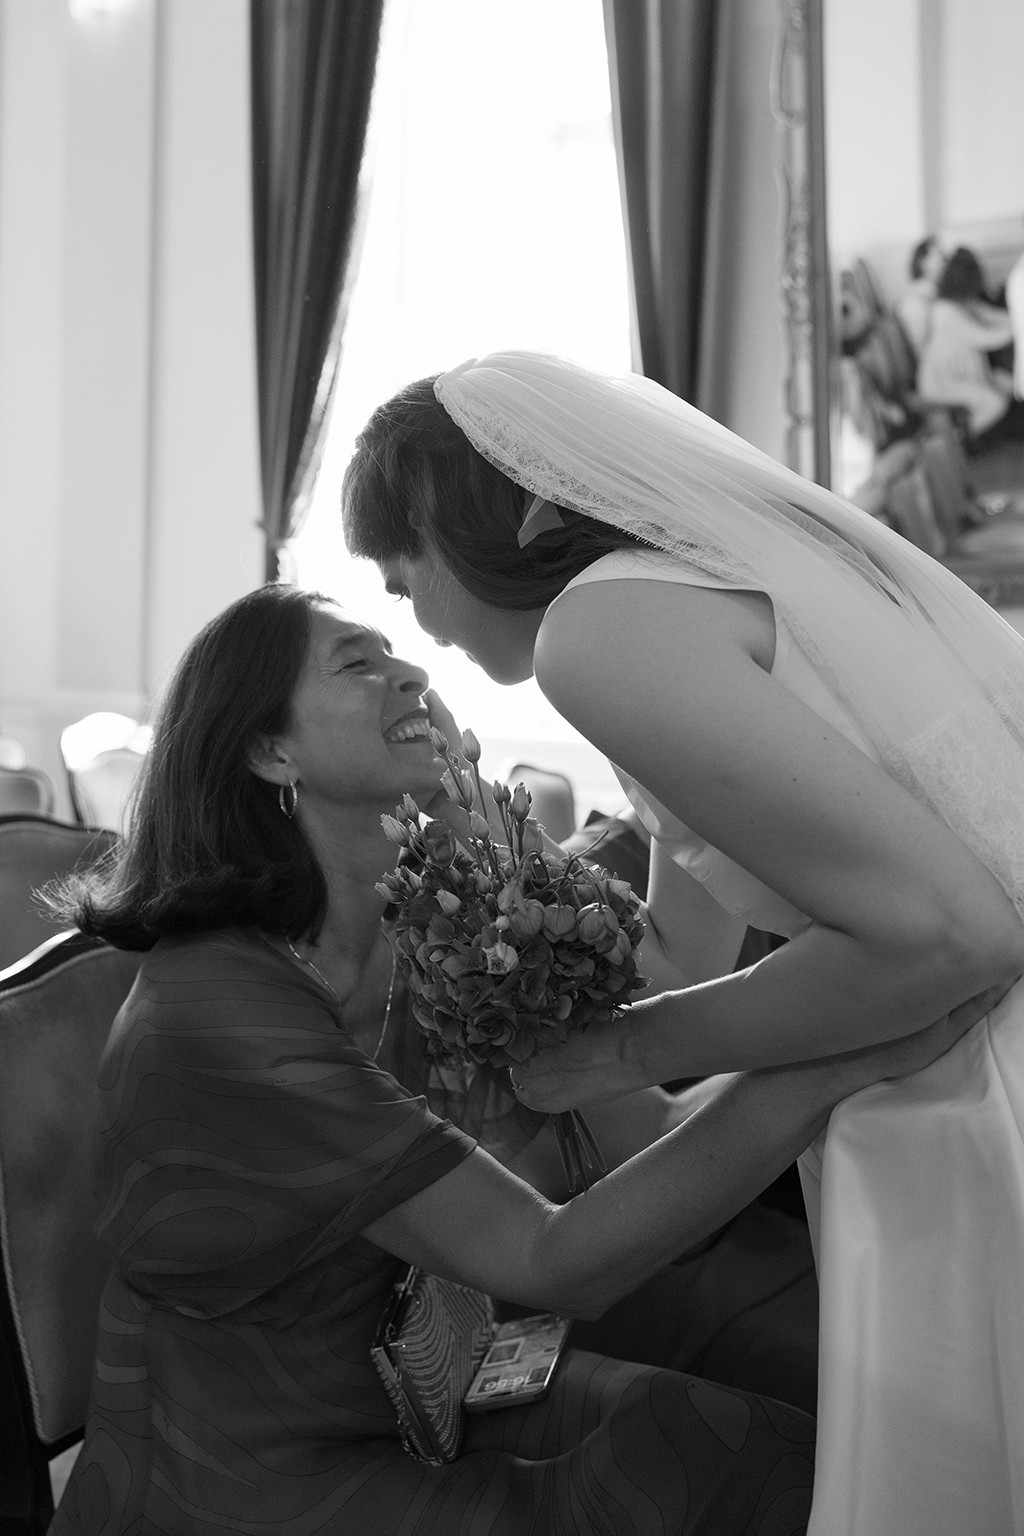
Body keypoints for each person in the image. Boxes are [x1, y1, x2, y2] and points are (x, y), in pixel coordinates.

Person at [44, 582, 979, 1536]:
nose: (409, 671)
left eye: (399, 653)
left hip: (429, 1391)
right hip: (252, 1467)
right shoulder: (218, 1015)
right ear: (268, 749)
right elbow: (554, 1259)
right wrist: (836, 1061)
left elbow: (644, 1132)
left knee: (769, 1455)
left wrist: (855, 1030)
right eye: (357, 664)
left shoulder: (438, 933)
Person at [342, 350, 1024, 1536]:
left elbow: (950, 934)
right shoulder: (690, 590)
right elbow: (684, 958)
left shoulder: (597, 632)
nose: (412, 620)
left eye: (403, 575)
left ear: (482, 518)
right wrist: (510, 946)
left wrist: (615, 1055)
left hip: (982, 1067)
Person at [917, 245, 1022, 448]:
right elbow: (983, 337)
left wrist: (1018, 319)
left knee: (1008, 383)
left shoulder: (962, 302)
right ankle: (957, 443)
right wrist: (1018, 327)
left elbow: (994, 317)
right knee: (995, 403)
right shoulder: (944, 311)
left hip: (962, 374)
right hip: (941, 383)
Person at [895, 233, 945, 357]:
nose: (944, 261)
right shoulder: (914, 302)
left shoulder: (933, 294)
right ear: (923, 263)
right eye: (939, 256)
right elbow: (920, 349)